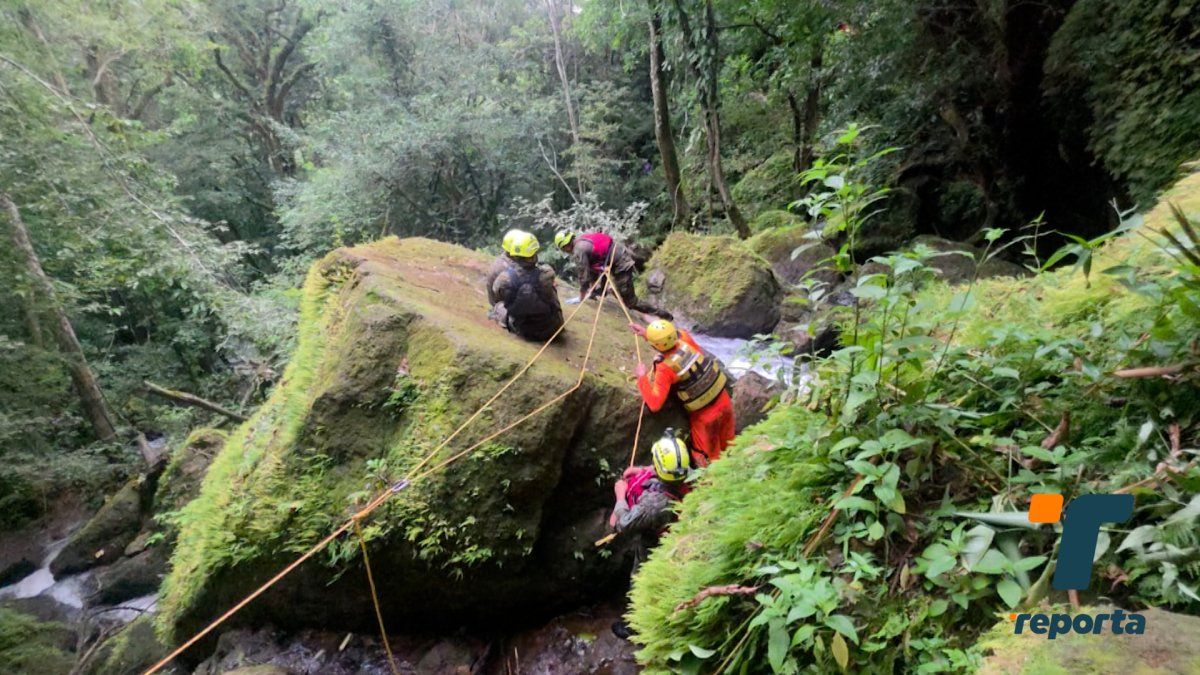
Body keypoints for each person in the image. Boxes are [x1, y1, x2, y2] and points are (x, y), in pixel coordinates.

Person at [630, 319, 735, 466]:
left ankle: (714, 480)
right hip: (724, 402)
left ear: (655, 345)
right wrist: (647, 334)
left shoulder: (665, 368)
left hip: (705, 418)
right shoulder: (685, 337)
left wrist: (642, 377)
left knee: (709, 460)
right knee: (731, 447)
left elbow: (655, 404)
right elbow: (671, 339)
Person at [553, 230, 672, 320]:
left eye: (563, 249)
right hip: (616, 256)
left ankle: (663, 315)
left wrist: (581, 296)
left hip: (621, 264)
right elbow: (593, 268)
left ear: (565, 246)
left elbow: (584, 277)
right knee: (594, 273)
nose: (565, 251)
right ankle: (599, 292)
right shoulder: (583, 238)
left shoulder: (579, 250)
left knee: (631, 302)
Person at [609, 430, 692, 537]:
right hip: (667, 511)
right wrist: (643, 470)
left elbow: (623, 524)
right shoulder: (687, 471)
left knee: (612, 522)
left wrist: (620, 496)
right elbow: (670, 471)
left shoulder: (654, 504)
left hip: (656, 535)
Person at [485, 229, 564, 341]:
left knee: (499, 306)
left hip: (523, 330)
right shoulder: (547, 274)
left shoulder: (504, 278)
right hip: (550, 328)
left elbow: (497, 294)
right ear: (534, 256)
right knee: (551, 291)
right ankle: (559, 321)